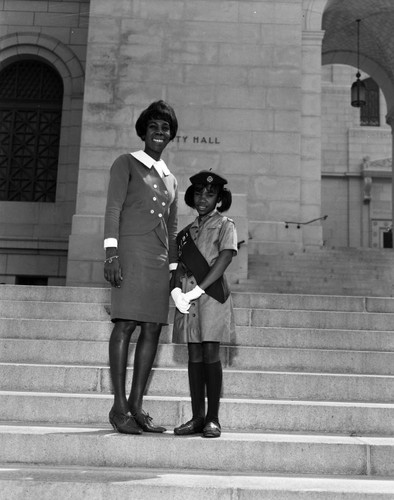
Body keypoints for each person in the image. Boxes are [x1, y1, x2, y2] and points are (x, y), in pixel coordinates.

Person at [104, 100, 179, 434]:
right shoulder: (126, 164)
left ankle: (136, 405)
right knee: (125, 324)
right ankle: (118, 407)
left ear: (170, 135)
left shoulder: (171, 179)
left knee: (153, 329)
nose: (159, 133)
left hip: (159, 260)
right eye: (153, 127)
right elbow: (112, 210)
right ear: (144, 131)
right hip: (131, 252)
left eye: (165, 128)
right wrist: (111, 254)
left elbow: (173, 229)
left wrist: (175, 269)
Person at [171, 170, 237, 438]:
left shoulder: (225, 225)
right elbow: (177, 267)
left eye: (210, 194)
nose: (203, 198)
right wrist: (176, 290)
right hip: (188, 299)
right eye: (198, 193)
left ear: (219, 199)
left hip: (211, 297)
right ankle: (197, 417)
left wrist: (199, 288)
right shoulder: (185, 233)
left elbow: (224, 260)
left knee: (211, 355)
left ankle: (213, 419)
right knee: (194, 356)